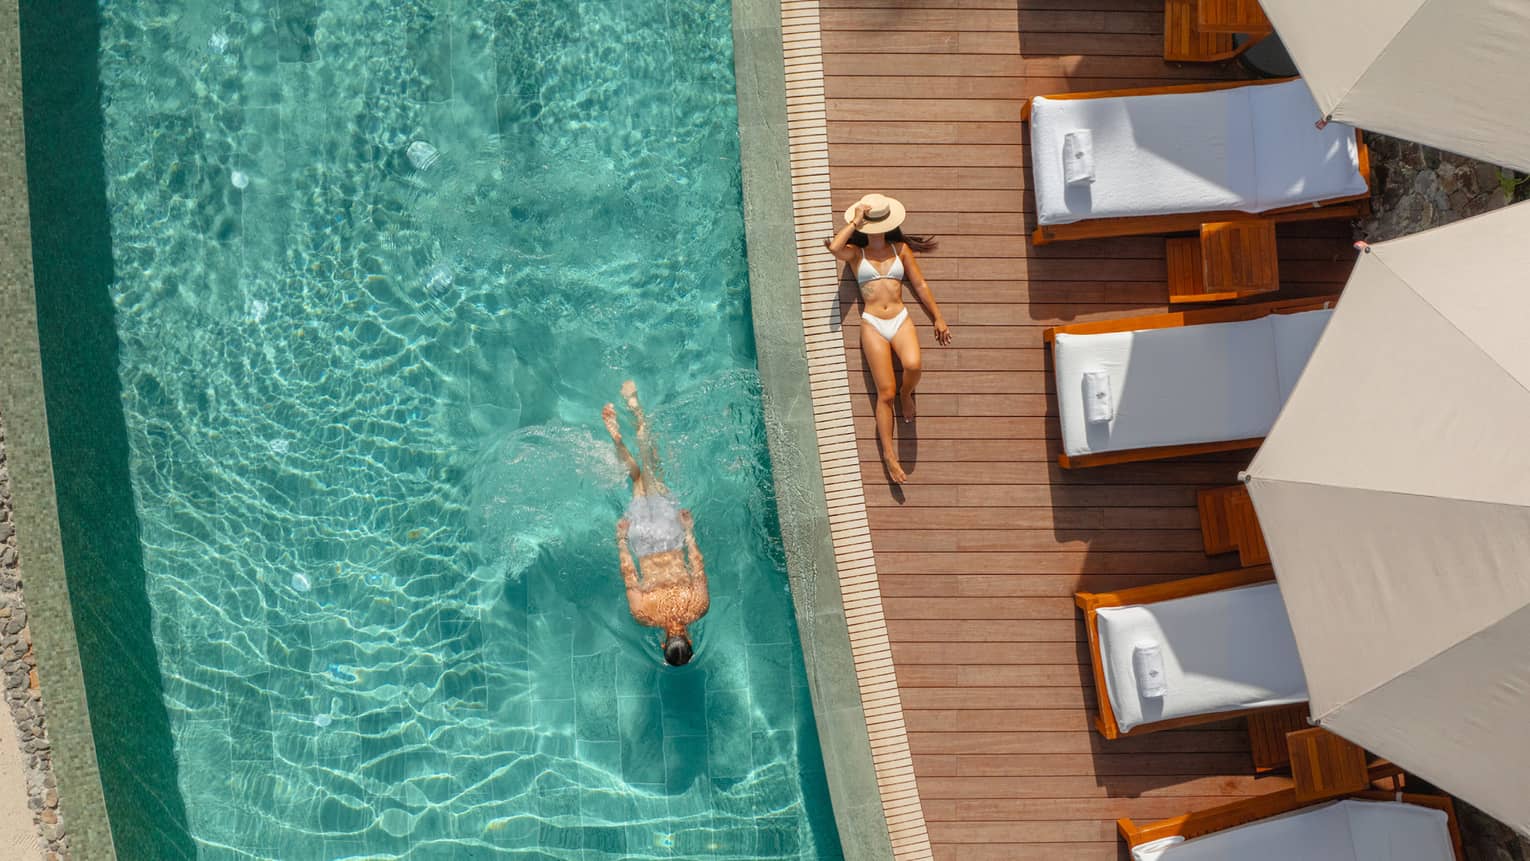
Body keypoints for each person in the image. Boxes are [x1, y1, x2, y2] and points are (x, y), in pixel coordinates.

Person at [825, 193, 951, 484]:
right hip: (872, 323)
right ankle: (889, 455)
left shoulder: (900, 249)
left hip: (900, 318)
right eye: (870, 223)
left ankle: (907, 394)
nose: (875, 228)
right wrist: (855, 222)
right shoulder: (856, 253)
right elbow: (834, 247)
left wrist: (937, 316)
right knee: (884, 394)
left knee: (914, 365)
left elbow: (918, 283)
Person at [602, 380, 708, 666]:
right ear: (663, 643)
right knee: (638, 480)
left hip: (670, 538)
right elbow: (628, 574)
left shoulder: (699, 607)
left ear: (690, 640)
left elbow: (697, 565)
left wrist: (688, 531)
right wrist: (622, 540)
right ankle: (619, 441)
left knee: (652, 470)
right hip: (644, 543)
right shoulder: (644, 615)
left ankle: (637, 411)